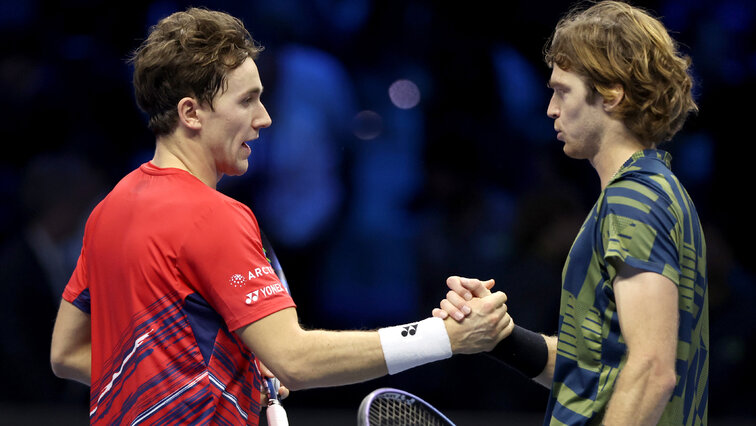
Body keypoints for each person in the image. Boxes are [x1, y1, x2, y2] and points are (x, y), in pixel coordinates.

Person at [49, 8, 514, 425]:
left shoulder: (108, 210)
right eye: (247, 100)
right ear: (191, 112)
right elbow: (296, 360)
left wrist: (201, 372)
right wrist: (444, 337)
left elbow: (66, 353)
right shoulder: (214, 216)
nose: (265, 117)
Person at [434, 1, 708, 425]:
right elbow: (597, 372)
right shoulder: (656, 191)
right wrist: (499, 336)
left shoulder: (633, 201)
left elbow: (653, 370)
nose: (551, 110)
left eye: (563, 91)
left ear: (611, 94)